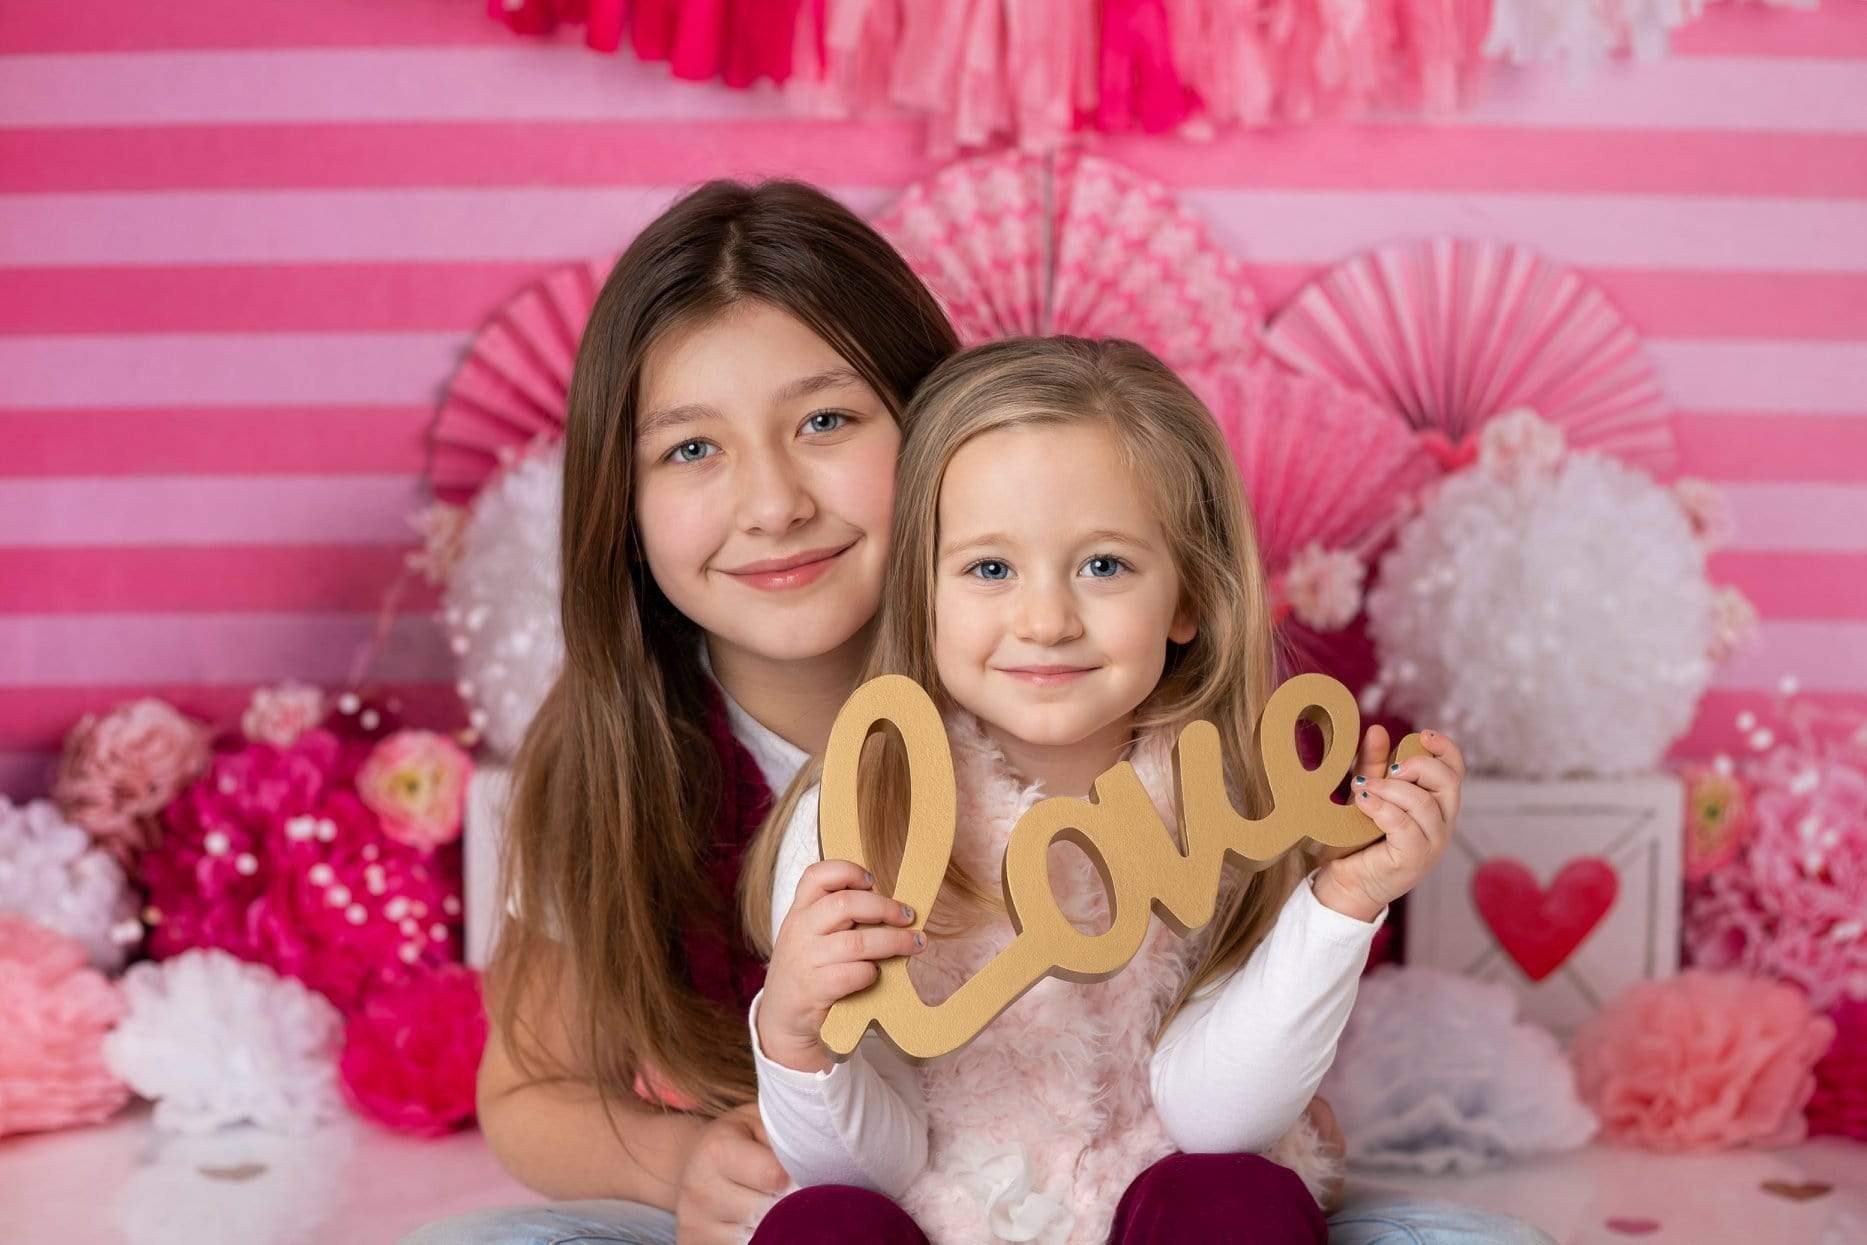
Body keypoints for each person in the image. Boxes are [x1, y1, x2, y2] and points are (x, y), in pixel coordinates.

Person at [404, 188, 1551, 1245]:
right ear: (623, 501)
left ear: (948, 433)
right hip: (835, 1192)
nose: (771, 503)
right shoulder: (610, 753)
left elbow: (1218, 1017)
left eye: (828, 422)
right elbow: (526, 1095)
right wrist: (680, 1161)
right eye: (691, 448)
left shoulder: (1097, 688)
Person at [743, 338, 1506, 1245]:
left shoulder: (1235, 797)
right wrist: (794, 1038)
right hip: (945, 1211)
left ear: (1186, 597)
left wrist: (1339, 904)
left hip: (1155, 1204)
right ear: (925, 594)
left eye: (1103, 565)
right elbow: (868, 1169)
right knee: (819, 1224)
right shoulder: (864, 807)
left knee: (1236, 1197)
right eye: (990, 569)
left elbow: (1215, 1122)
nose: (1045, 619)